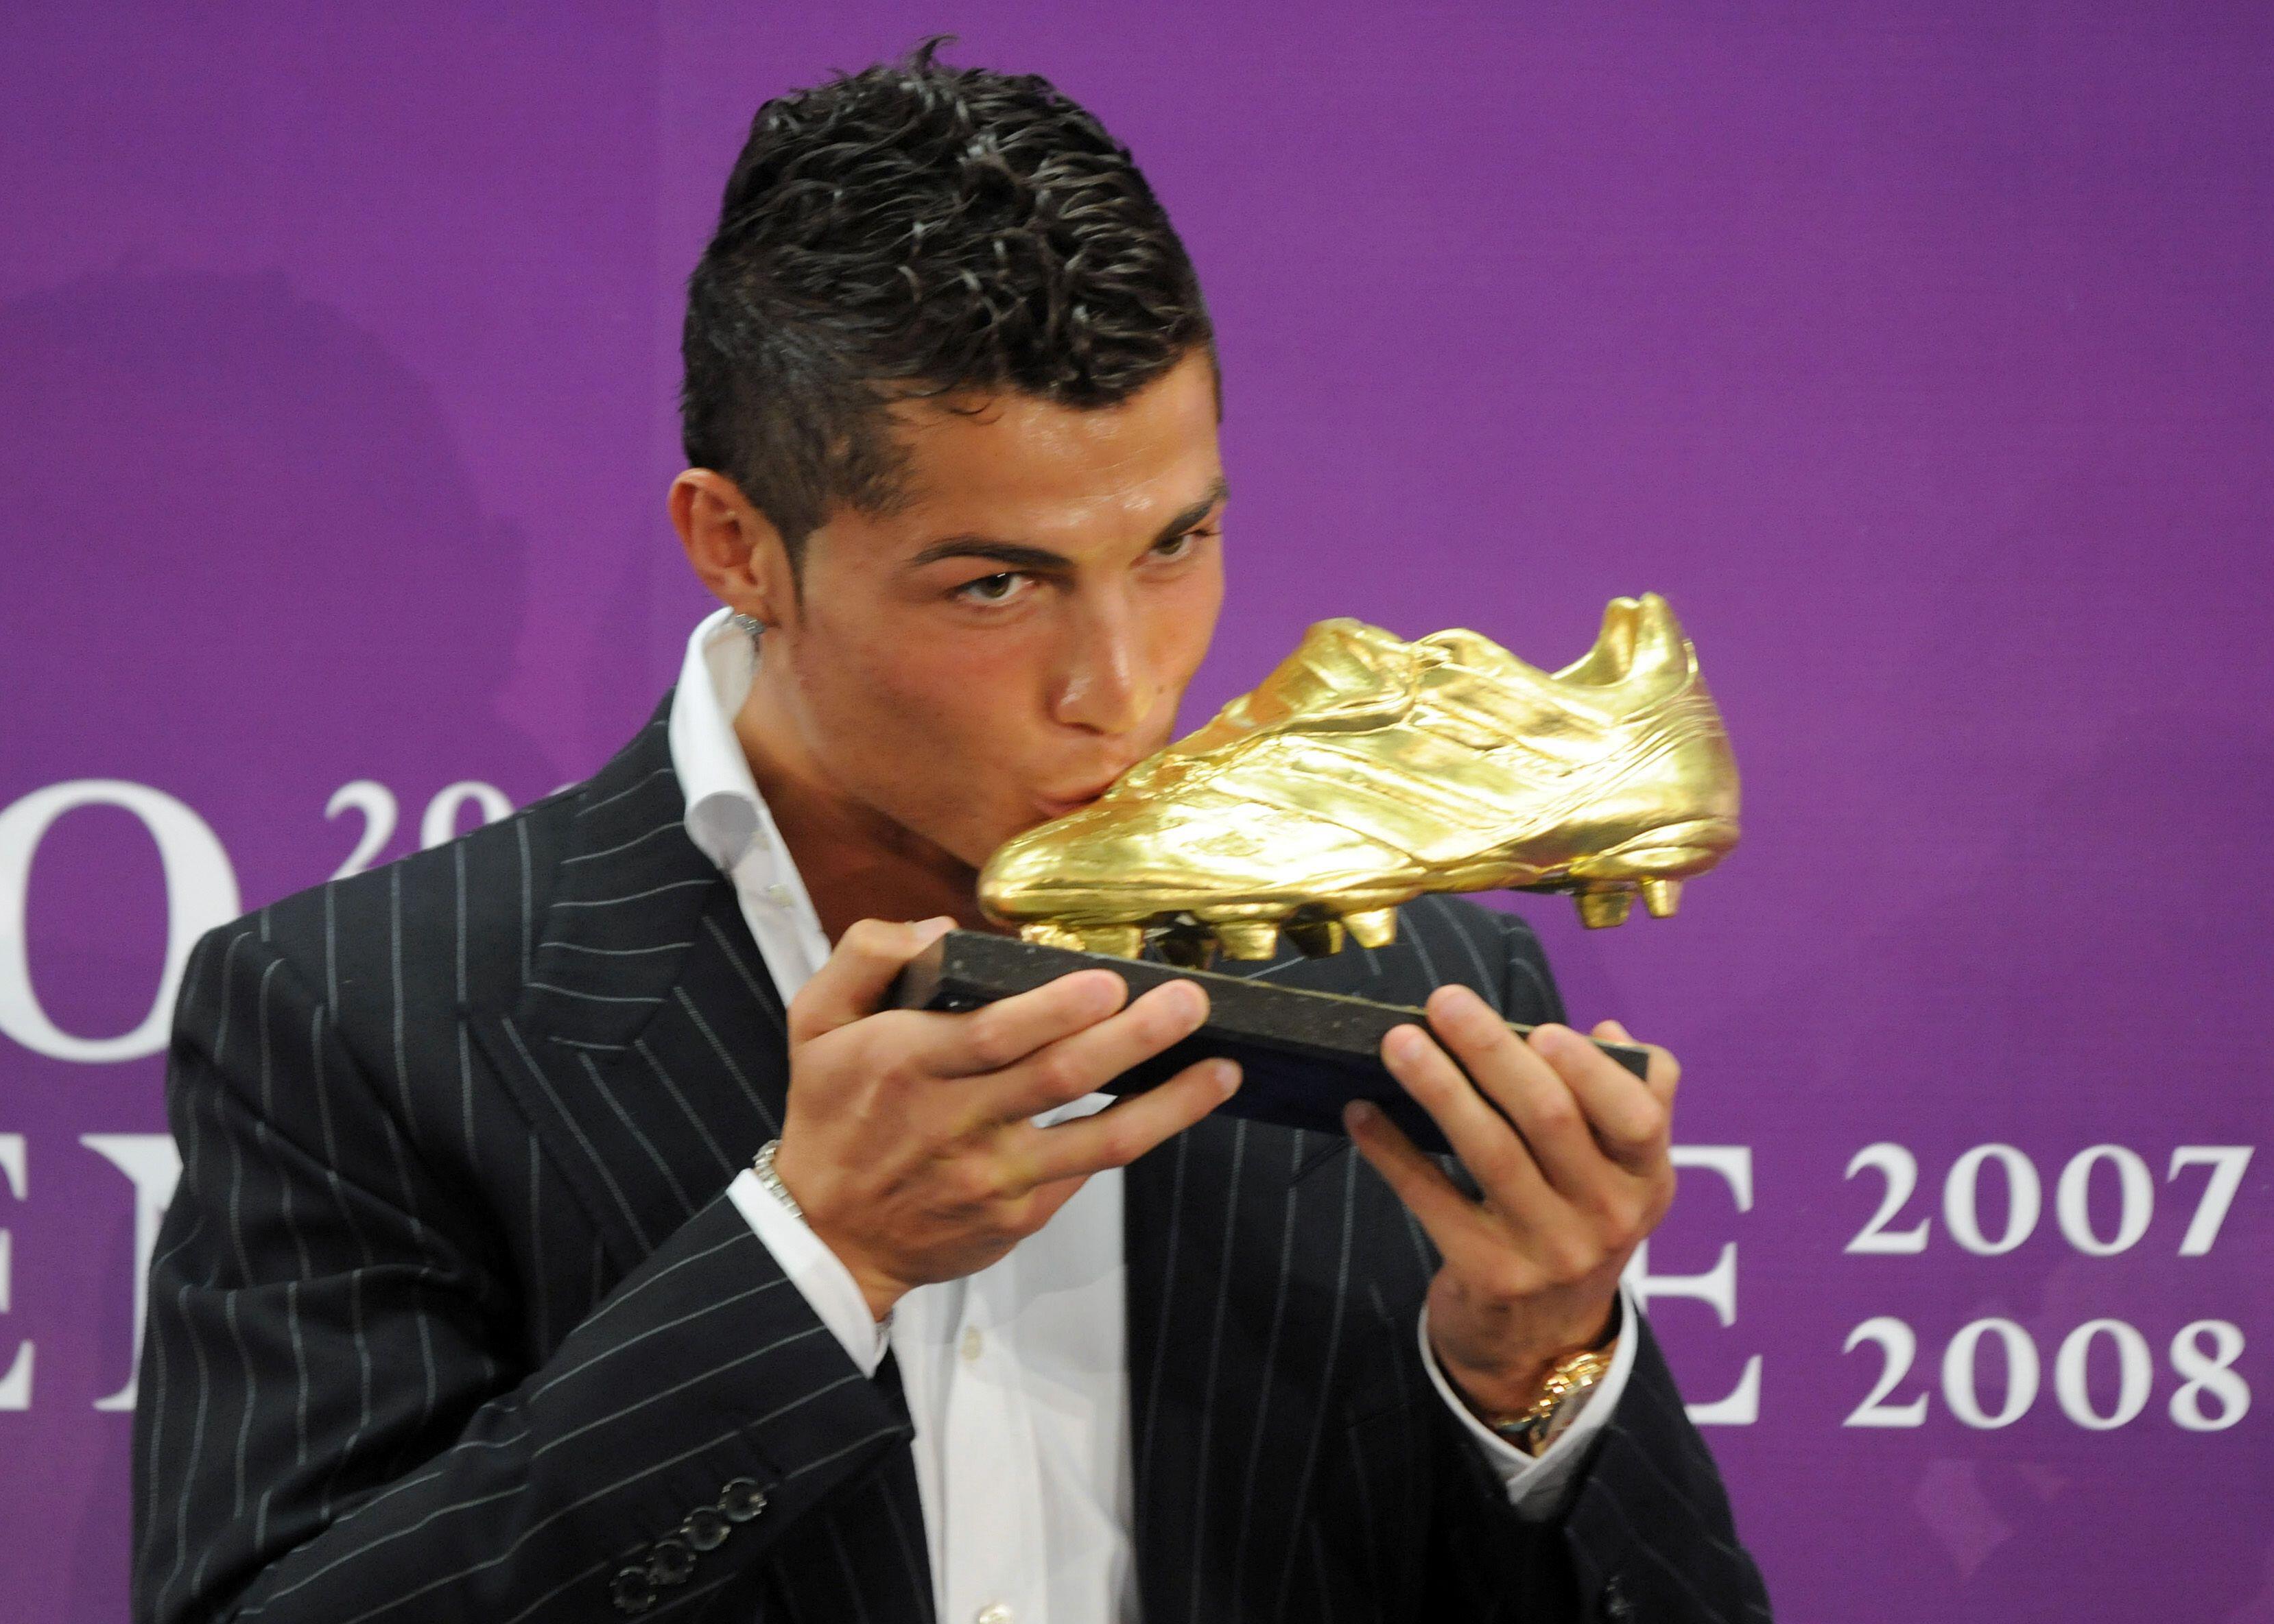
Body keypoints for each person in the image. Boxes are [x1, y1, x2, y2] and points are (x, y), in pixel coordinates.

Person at [132, 42, 1769, 1624]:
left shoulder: (1422, 968)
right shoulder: (365, 1014)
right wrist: (809, 1260)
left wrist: (1536, 1362)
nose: (1119, 685)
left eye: (1175, 541)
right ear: (738, 546)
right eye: (995, 583)